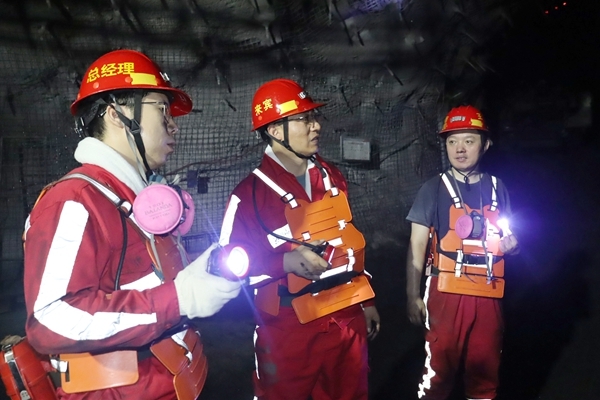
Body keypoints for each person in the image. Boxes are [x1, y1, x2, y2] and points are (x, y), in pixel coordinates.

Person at [21, 49, 241, 399]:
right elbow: (51, 318)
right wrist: (178, 299)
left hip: (173, 383)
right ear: (117, 114)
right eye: (161, 109)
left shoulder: (135, 199)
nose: (174, 125)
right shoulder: (75, 200)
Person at [218, 78, 381, 400]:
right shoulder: (249, 195)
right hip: (287, 327)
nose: (315, 126)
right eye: (304, 119)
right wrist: (283, 262)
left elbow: (347, 241)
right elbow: (226, 264)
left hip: (346, 316)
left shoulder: (332, 177)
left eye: (313, 117)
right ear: (275, 130)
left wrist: (366, 301)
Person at [405, 105, 520, 400]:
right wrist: (412, 295)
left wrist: (514, 247)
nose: (459, 149)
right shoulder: (433, 188)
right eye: (452, 141)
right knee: (439, 371)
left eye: (469, 140)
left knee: (485, 368)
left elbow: (508, 236)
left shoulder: (498, 188)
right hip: (446, 291)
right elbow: (417, 244)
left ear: (485, 144)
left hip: (488, 289)